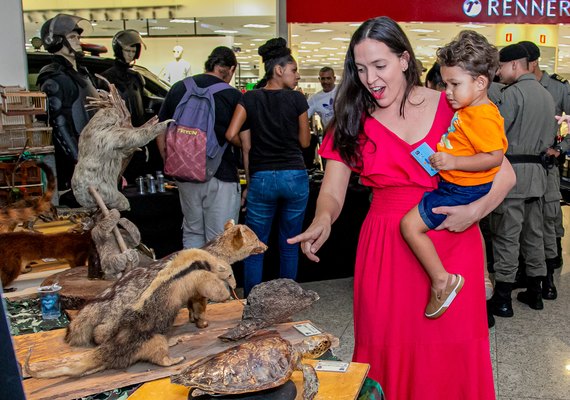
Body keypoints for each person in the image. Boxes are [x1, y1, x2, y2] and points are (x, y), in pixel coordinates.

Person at [288, 16, 515, 399]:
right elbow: (333, 189)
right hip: (386, 246)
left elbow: (504, 174)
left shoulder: (451, 106)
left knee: (453, 351)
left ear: (405, 60)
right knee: (387, 347)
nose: (370, 79)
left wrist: (473, 214)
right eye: (360, 69)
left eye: (380, 66)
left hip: (451, 242)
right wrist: (322, 219)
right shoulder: (351, 118)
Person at [400, 30, 507, 319]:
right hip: (457, 186)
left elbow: (494, 157)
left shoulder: (482, 114)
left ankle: (441, 280)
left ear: (481, 82)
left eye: (454, 84)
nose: (447, 92)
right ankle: (482, 276)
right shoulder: (469, 108)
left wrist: (453, 161)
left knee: (409, 227)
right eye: (446, 84)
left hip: (461, 190)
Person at [225, 37, 311, 297]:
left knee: (255, 245)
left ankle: (253, 302)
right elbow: (305, 142)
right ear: (279, 70)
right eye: (294, 70)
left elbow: (230, 133)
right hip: (294, 176)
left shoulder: (249, 98)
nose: (297, 76)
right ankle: (286, 301)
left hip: (262, 177)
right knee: (289, 244)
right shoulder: (297, 100)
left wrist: (254, 144)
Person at [488, 43, 556, 317]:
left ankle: (503, 298)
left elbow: (497, 135)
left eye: (502, 66)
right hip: (539, 176)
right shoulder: (546, 95)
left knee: (507, 235)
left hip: (513, 174)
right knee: (534, 234)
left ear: (514, 64)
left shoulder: (512, 95)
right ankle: (536, 292)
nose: (500, 72)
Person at [157, 46, 242, 249]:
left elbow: (160, 127)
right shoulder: (233, 95)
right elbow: (242, 139)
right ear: (231, 69)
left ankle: (193, 280)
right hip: (221, 175)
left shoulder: (178, 88)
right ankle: (214, 282)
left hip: (185, 175)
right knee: (221, 240)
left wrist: (170, 160)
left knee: (192, 232)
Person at [519, 40, 569, 295]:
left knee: (548, 220)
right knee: (523, 222)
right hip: (522, 167)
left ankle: (548, 278)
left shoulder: (558, 89)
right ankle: (528, 273)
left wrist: (560, 149)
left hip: (547, 166)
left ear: (533, 62)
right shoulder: (515, 88)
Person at [37, 14, 99, 205]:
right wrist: (78, 160)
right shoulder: (54, 78)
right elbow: (59, 124)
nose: (78, 41)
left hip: (94, 154)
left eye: (78, 37)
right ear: (56, 41)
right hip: (75, 165)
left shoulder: (82, 74)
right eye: (72, 37)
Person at [101, 29, 162, 183]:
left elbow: (146, 102)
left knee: (138, 176)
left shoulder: (136, 77)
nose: (130, 54)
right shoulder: (107, 77)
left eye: (133, 50)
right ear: (119, 50)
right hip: (119, 137)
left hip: (138, 135)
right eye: (127, 50)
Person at [308, 66, 337, 132]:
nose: (325, 81)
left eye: (328, 78)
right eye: (323, 79)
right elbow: (304, 116)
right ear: (319, 79)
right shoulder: (314, 99)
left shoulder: (343, 91)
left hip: (347, 135)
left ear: (334, 78)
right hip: (329, 136)